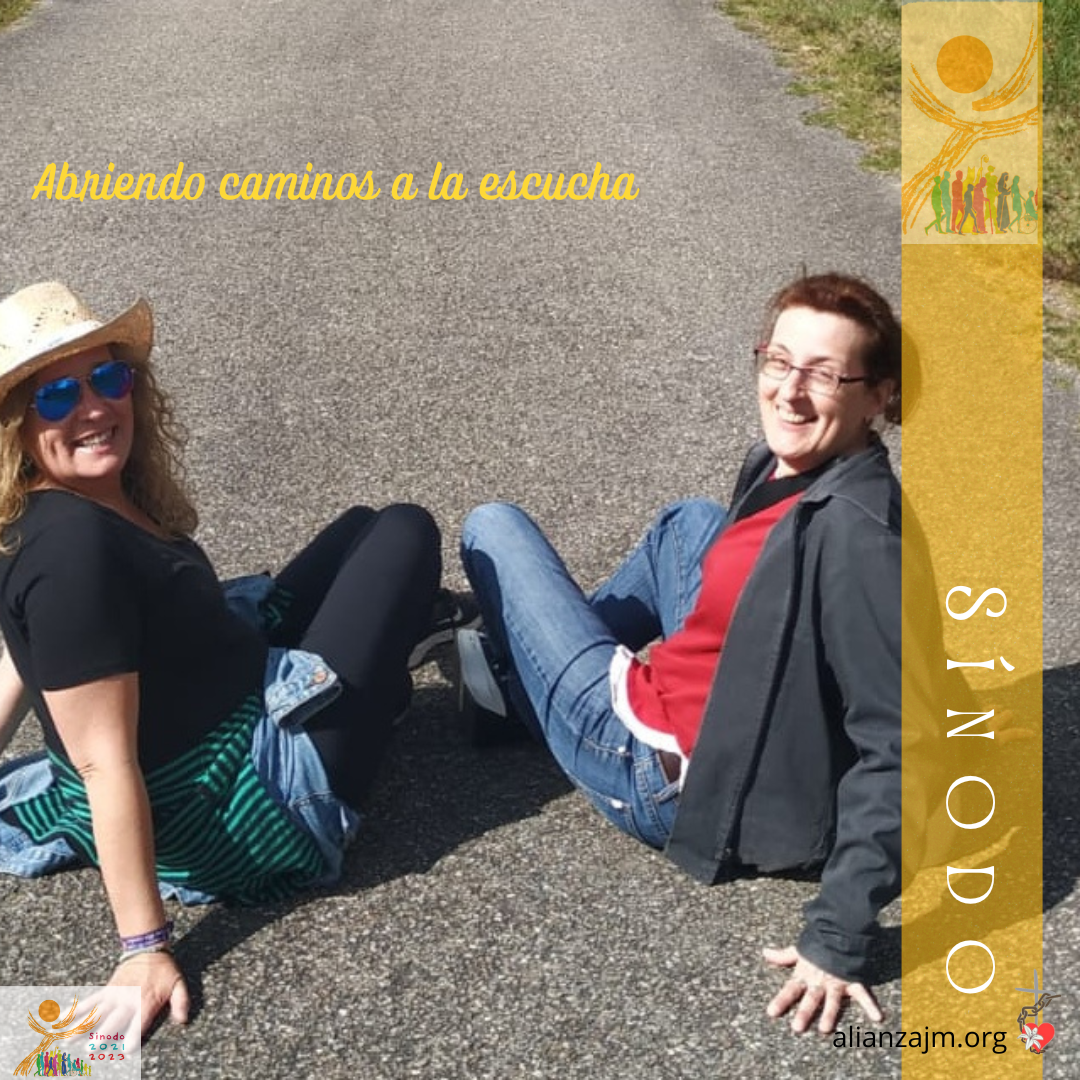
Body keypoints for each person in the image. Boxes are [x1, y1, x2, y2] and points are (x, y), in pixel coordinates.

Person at [0, 282, 468, 1034]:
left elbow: (28, 655)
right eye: (56, 395)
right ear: (16, 424)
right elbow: (101, 762)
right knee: (407, 530)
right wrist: (144, 948)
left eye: (108, 378)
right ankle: (402, 661)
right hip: (248, 798)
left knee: (364, 526)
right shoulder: (74, 551)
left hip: (218, 677)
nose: (93, 407)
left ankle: (402, 640)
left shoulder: (42, 507)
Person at [458, 273, 902, 1035]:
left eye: (825, 375)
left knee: (492, 527)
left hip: (653, 762)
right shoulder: (800, 467)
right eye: (779, 361)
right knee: (688, 522)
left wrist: (837, 939)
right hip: (723, 679)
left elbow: (899, 743)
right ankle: (527, 677)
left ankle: (520, 691)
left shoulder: (860, 539)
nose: (790, 392)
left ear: (879, 397)